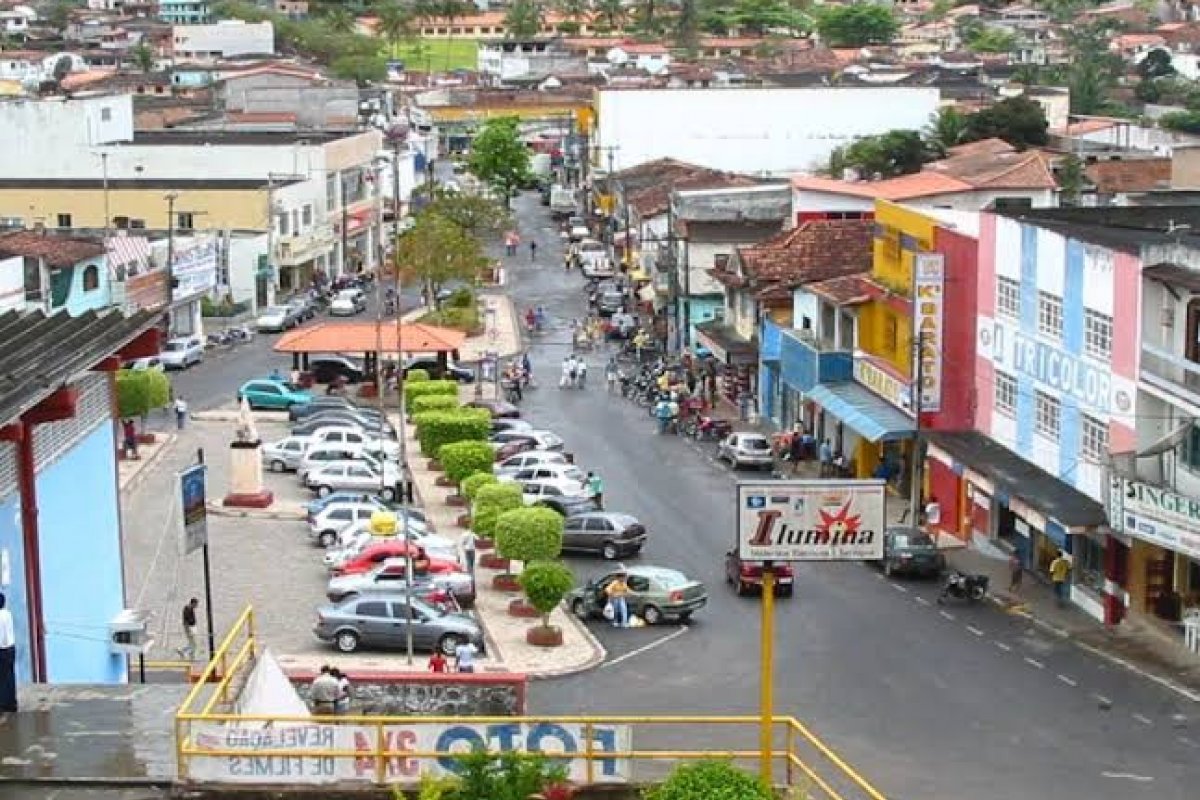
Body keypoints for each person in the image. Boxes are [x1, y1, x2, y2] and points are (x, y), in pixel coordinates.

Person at [0, 592, 16, 712]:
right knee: (9, 676)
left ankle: (2, 704)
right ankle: (11, 703)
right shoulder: (7, 613)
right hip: (11, 648)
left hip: (2, 649)